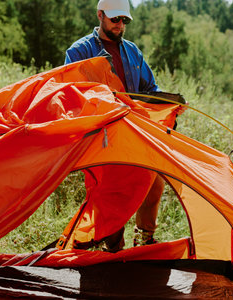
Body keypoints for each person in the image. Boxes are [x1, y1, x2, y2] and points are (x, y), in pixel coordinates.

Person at [65, 0, 181, 249]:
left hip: (136, 130)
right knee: (108, 194)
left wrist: (168, 103)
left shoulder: (132, 51)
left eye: (124, 21)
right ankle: (113, 247)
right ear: (100, 15)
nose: (120, 25)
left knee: (153, 185)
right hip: (102, 135)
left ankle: (144, 240)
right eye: (115, 19)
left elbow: (150, 89)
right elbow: (71, 95)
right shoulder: (79, 52)